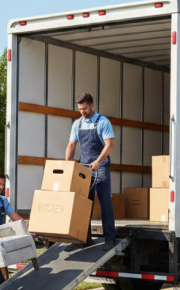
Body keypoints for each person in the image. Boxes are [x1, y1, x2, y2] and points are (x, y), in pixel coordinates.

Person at [65, 93, 116, 251]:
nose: (82, 112)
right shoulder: (77, 124)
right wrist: (67, 164)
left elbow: (109, 145)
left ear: (92, 106)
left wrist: (98, 161)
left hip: (100, 165)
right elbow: (72, 145)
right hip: (85, 166)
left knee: (104, 200)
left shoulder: (103, 122)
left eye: (85, 108)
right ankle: (84, 239)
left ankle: (109, 238)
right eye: (80, 109)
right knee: (84, 202)